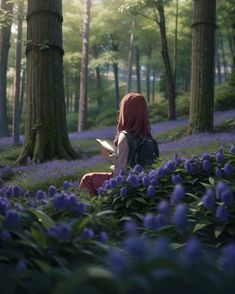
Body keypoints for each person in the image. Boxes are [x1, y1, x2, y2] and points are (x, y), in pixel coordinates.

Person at [79, 92, 152, 195]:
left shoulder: (125, 136)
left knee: (87, 179)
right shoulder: (147, 136)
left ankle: (92, 208)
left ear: (126, 112)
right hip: (143, 182)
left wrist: (109, 156)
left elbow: (122, 169)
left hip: (122, 183)